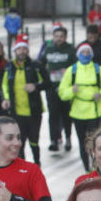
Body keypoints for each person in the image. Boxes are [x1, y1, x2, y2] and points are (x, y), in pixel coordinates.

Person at [57, 42, 101, 172]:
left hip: (95, 110)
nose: (86, 55)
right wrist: (72, 90)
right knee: (82, 142)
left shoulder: (98, 69)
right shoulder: (72, 70)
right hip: (78, 112)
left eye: (88, 52)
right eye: (83, 52)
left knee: (93, 142)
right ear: (78, 54)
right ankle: (87, 169)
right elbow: (62, 92)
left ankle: (96, 168)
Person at [1, 36, 48, 166]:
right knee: (18, 141)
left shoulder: (36, 66)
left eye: (24, 48)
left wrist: (35, 87)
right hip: (16, 111)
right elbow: (3, 85)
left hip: (34, 110)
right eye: (19, 49)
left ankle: (37, 163)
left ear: (27, 51)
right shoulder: (9, 67)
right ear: (15, 51)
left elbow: (47, 83)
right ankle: (21, 166)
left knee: (34, 140)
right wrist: (5, 99)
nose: (22, 51)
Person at [38, 25, 77, 153]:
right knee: (53, 114)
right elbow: (40, 65)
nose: (59, 39)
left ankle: (67, 138)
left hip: (66, 88)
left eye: (61, 36)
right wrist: (45, 78)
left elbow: (77, 67)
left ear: (65, 37)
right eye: (56, 36)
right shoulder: (48, 49)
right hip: (51, 87)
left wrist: (69, 72)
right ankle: (53, 140)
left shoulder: (71, 50)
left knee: (66, 115)